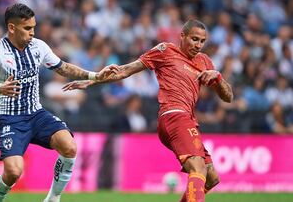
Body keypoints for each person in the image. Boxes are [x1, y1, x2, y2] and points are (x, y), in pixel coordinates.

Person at [63, 19, 233, 202]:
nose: (198, 45)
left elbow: (228, 97)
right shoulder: (166, 51)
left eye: (202, 41)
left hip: (189, 121)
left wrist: (218, 78)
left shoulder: (205, 61)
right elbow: (126, 70)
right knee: (198, 168)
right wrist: (93, 79)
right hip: (173, 116)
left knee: (211, 178)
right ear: (182, 36)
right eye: (194, 39)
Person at [0, 3, 113, 202]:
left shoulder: (38, 46)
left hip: (36, 113)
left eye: (34, 27)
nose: (32, 33)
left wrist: (94, 76)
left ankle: (52, 198)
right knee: (13, 172)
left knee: (69, 147)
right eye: (27, 28)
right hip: (9, 119)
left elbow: (63, 68)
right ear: (12, 28)